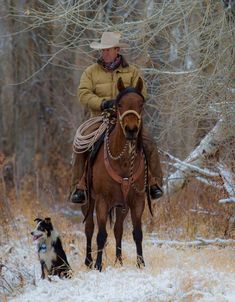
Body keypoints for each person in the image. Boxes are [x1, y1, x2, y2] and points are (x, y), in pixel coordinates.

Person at [70, 32, 163, 204]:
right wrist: (103, 103)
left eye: (107, 50)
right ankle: (79, 186)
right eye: (102, 50)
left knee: (149, 143)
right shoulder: (91, 72)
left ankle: (154, 184)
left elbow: (141, 94)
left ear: (117, 50)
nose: (104, 53)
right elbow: (83, 94)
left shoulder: (132, 72)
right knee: (80, 145)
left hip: (128, 120)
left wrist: (126, 105)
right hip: (100, 118)